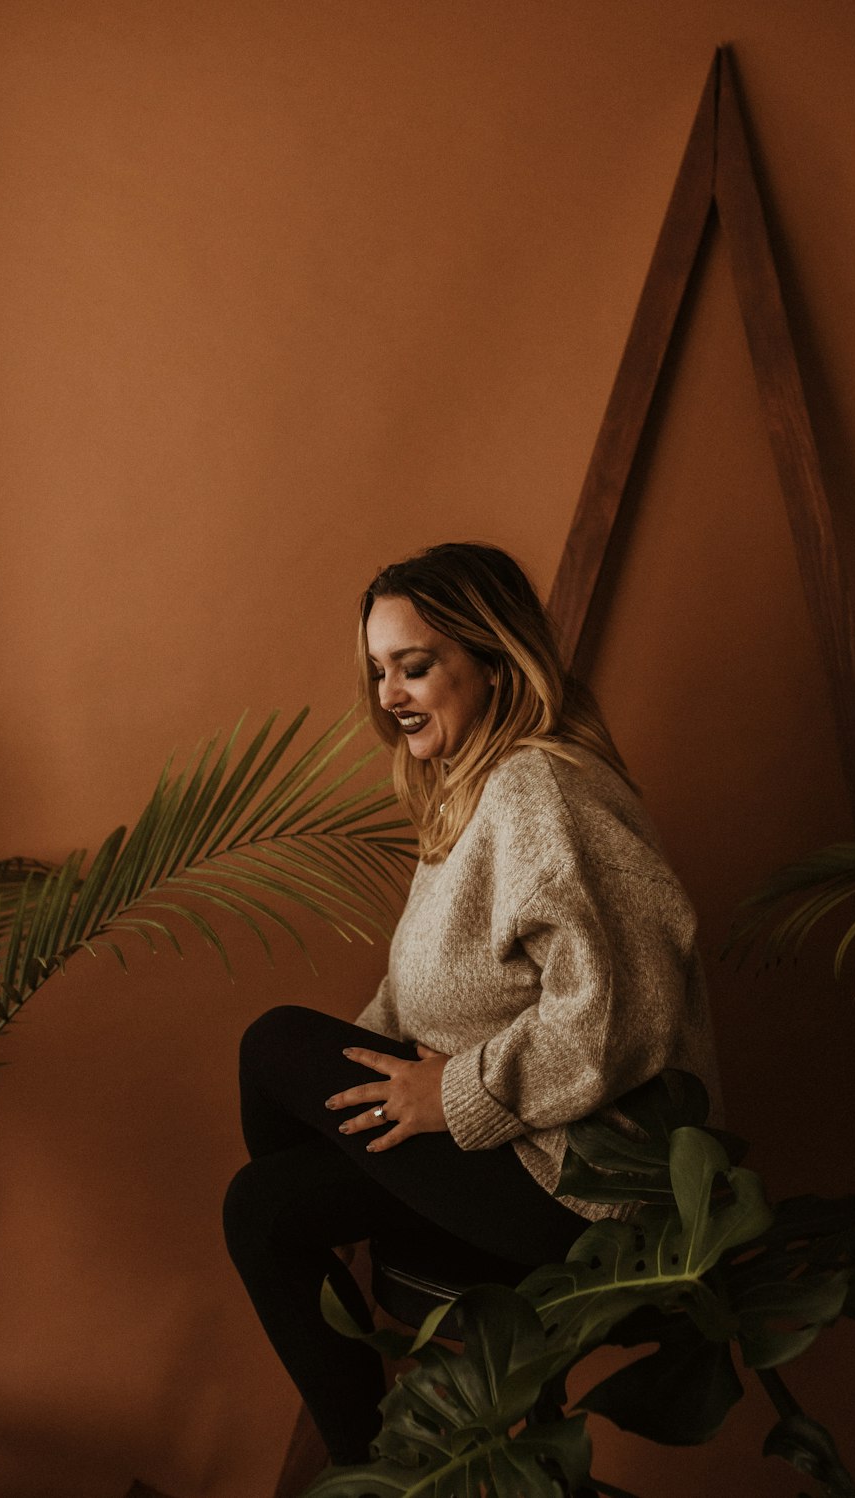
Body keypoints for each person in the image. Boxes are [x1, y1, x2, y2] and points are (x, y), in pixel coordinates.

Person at [223, 542, 718, 1468]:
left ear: (496, 664)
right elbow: (409, 1002)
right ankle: (373, 1479)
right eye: (378, 670)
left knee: (272, 1043)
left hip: (587, 1187)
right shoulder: (469, 794)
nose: (387, 695)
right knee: (262, 1208)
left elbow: (628, 1009)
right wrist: (360, 1104)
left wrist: (450, 1094)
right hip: (508, 1162)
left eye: (415, 666)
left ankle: (380, 1441)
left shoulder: (541, 788)